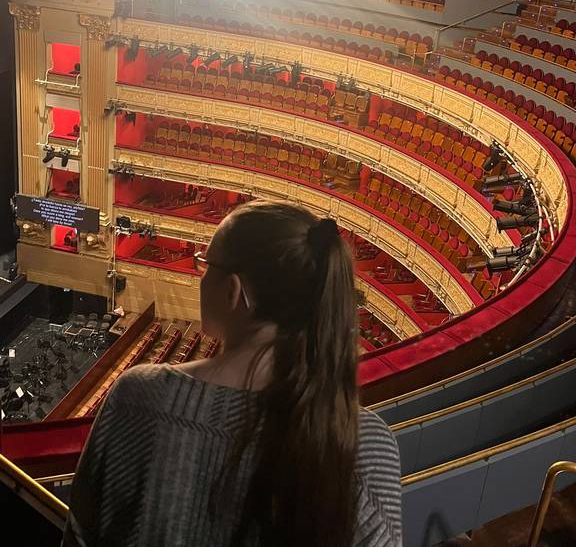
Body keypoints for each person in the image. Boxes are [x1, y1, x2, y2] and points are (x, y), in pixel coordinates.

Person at [61, 200, 402, 546]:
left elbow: (80, 538)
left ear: (233, 290)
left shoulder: (140, 398)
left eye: (205, 264)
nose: (200, 274)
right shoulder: (369, 446)